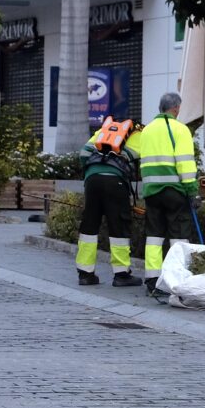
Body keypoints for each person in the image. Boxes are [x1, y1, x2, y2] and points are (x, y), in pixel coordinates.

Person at [138, 92, 200, 293]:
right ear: (175, 109)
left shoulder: (146, 131)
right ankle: (177, 278)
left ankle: (152, 279)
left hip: (152, 192)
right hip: (174, 191)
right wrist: (192, 190)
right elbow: (185, 164)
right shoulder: (180, 129)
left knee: (154, 236)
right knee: (179, 236)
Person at [75, 117, 143, 287]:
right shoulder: (139, 135)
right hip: (115, 182)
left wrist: (92, 172)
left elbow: (83, 154)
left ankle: (85, 274)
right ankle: (121, 275)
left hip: (92, 180)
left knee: (89, 225)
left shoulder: (102, 132)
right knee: (118, 225)